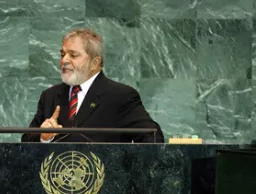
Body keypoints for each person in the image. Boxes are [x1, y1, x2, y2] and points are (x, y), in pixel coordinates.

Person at [21, 28, 164, 143]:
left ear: (95, 63)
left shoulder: (120, 96)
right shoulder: (50, 96)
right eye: (62, 54)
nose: (64, 60)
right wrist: (44, 137)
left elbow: (152, 136)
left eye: (73, 55)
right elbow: (25, 141)